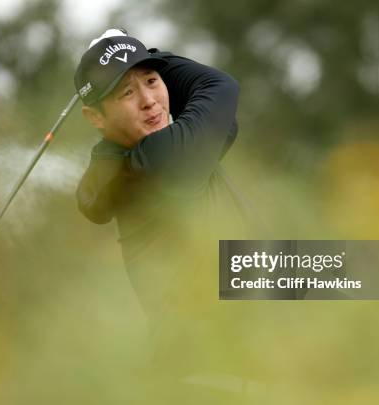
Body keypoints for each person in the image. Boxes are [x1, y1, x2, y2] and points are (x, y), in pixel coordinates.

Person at [74, 28, 262, 400]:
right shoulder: (164, 159)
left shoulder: (128, 164)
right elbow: (219, 87)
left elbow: (224, 123)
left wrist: (135, 58)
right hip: (210, 382)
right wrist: (153, 55)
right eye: (127, 92)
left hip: (210, 376)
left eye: (152, 81)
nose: (149, 101)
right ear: (95, 118)